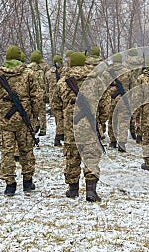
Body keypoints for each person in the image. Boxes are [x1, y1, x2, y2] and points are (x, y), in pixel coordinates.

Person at [0, 45, 43, 196]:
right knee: (26, 151)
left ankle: (10, 184)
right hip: (24, 120)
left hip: (5, 121)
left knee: (7, 152)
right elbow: (37, 97)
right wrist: (33, 115)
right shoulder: (29, 74)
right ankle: (27, 182)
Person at [52, 52, 108, 201]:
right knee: (91, 157)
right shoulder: (97, 81)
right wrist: (101, 122)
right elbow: (105, 105)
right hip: (91, 127)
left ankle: (72, 189)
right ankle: (91, 191)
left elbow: (55, 106)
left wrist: (63, 121)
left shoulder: (62, 82)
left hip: (71, 128)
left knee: (72, 158)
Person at [106, 53, 133, 152]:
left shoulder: (107, 72)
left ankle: (112, 141)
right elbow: (132, 87)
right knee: (123, 121)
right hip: (124, 99)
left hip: (110, 99)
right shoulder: (127, 72)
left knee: (111, 120)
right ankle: (121, 143)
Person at [125, 48, 144, 142]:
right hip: (140, 90)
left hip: (130, 91)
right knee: (140, 112)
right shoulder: (141, 64)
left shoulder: (126, 65)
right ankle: (139, 133)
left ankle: (132, 131)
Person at [46, 55, 64, 146]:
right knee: (61, 118)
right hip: (60, 98)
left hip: (55, 99)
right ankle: (58, 137)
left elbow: (46, 87)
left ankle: (60, 136)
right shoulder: (65, 72)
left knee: (59, 118)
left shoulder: (49, 73)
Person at [28, 50, 47, 136]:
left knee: (32, 111)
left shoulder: (27, 69)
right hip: (40, 93)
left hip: (31, 93)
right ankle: (43, 129)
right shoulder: (42, 69)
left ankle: (35, 125)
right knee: (42, 111)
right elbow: (43, 83)